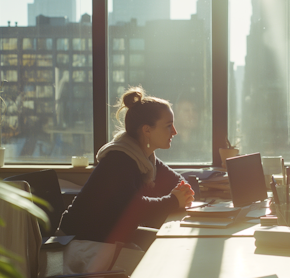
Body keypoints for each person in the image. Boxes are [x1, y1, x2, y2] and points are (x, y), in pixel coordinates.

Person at [58, 86, 195, 248]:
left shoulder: (145, 158)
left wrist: (182, 194)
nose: (174, 132)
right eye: (168, 125)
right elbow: (132, 208)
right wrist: (173, 200)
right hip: (80, 244)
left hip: (104, 238)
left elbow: (177, 182)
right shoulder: (119, 160)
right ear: (147, 130)